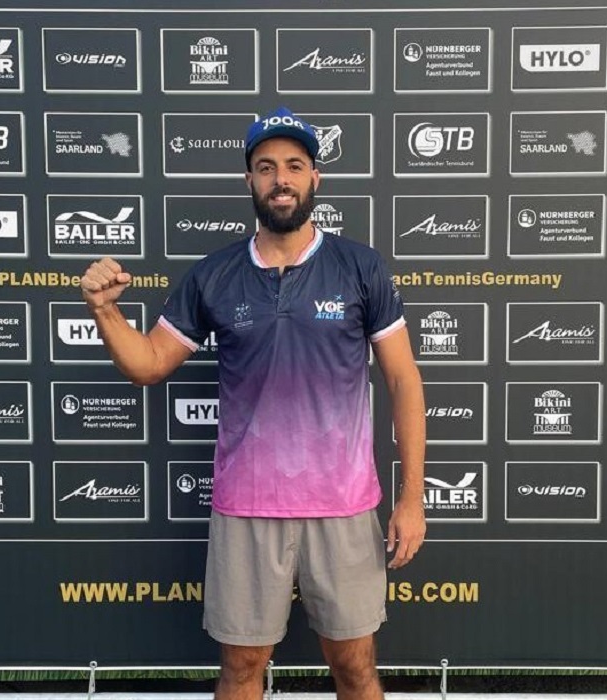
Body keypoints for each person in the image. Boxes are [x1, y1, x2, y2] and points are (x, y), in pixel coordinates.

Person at [80, 107, 426, 700]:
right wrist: (105, 311)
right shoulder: (214, 275)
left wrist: (412, 498)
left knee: (355, 668)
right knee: (241, 670)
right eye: (266, 167)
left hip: (343, 505)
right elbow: (149, 364)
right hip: (247, 505)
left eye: (294, 165)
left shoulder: (360, 266)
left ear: (315, 178)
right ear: (249, 180)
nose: (280, 179)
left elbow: (403, 379)